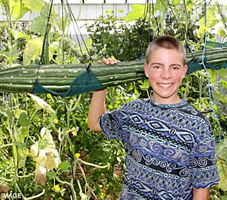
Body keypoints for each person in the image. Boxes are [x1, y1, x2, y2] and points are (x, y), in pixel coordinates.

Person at [88, 35, 219, 200]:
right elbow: (94, 123)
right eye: (158, 67)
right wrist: (101, 83)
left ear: (184, 71)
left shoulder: (199, 125)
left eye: (174, 67)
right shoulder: (132, 111)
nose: (166, 75)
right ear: (146, 69)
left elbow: (201, 188)